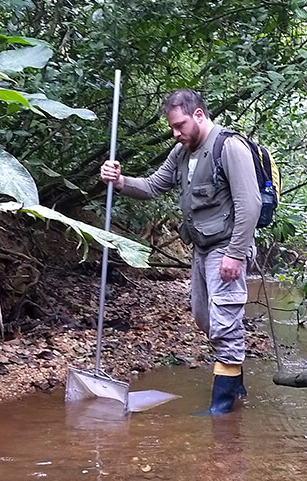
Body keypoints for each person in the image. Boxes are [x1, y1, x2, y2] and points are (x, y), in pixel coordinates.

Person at [100, 88, 261, 415]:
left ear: (199, 115)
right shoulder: (182, 153)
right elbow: (152, 186)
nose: (176, 133)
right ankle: (237, 385)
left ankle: (222, 409)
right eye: (172, 127)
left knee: (224, 325)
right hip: (201, 250)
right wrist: (119, 181)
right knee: (204, 319)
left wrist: (235, 253)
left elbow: (250, 203)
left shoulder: (228, 147)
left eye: (180, 125)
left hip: (226, 248)